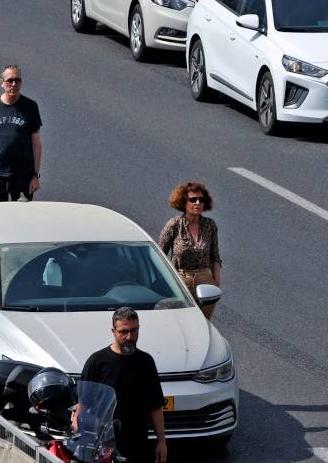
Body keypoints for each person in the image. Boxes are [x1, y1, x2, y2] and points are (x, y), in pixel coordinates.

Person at [78, 307, 167, 463]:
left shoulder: (145, 362)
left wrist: (162, 441)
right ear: (113, 331)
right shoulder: (97, 361)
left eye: (134, 331)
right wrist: (77, 435)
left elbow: (155, 405)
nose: (129, 337)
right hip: (102, 444)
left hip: (137, 444)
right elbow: (83, 403)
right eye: (123, 332)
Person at [158, 181, 222, 319]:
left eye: (201, 199)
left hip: (205, 278)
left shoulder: (209, 225)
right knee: (183, 320)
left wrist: (216, 280)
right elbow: (160, 255)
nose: (198, 203)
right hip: (181, 279)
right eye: (193, 199)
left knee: (204, 321)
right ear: (183, 202)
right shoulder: (174, 224)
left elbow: (215, 255)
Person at [0, 65, 42, 202]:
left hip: (23, 175)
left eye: (17, 80)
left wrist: (35, 176)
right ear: (2, 83)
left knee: (21, 218)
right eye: (10, 80)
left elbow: (36, 142)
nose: (14, 84)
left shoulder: (30, 107)